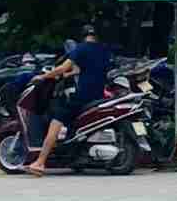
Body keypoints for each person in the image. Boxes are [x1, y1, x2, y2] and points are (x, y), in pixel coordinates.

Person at [24, 24, 113, 177]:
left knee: (56, 120)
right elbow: (79, 70)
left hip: (82, 97)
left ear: (83, 35)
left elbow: (63, 67)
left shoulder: (81, 48)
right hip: (98, 96)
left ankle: (40, 162)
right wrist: (64, 76)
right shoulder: (104, 50)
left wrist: (44, 76)